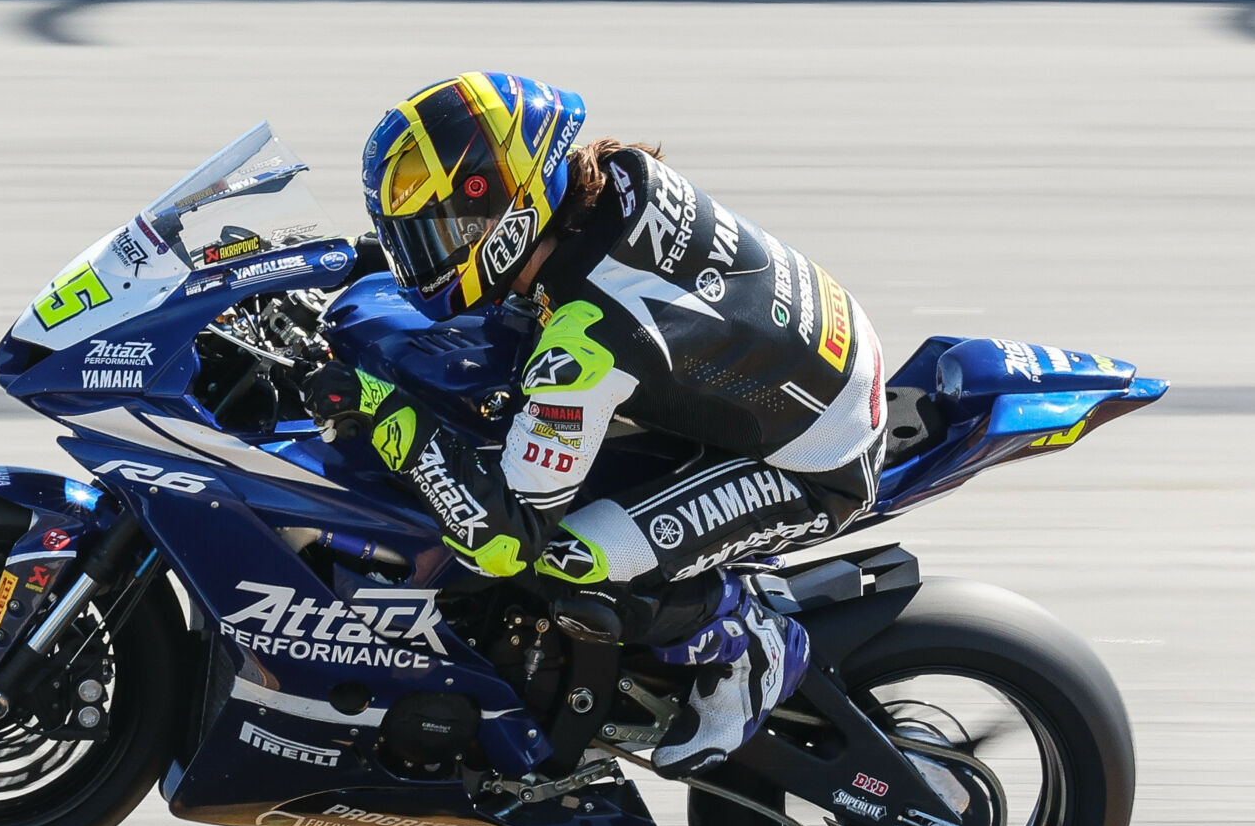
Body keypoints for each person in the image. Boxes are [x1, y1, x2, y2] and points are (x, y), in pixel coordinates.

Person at [309, 72, 887, 778]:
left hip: (815, 460)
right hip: (805, 364)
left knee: (569, 558)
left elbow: (505, 540)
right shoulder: (598, 181)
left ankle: (749, 635)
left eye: (437, 230)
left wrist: (382, 407)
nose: (422, 253)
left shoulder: (587, 339)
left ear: (509, 215)